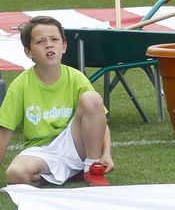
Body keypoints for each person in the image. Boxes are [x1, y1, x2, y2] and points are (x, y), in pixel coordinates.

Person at [1, 16, 112, 188]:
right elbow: (4, 131)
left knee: (92, 99)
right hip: (41, 151)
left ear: (64, 46)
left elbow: (100, 120)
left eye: (54, 39)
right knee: (15, 173)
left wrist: (106, 154)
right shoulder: (20, 85)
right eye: (40, 41)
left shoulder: (76, 78)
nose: (49, 45)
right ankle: (66, 175)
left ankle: (91, 168)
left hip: (75, 144)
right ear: (28, 52)